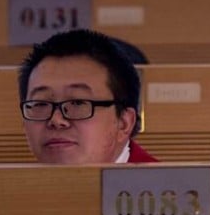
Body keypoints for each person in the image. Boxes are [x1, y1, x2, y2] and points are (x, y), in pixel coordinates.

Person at [18, 29, 158, 164]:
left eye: (78, 103)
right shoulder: (14, 180)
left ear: (124, 123)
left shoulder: (161, 180)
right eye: (41, 104)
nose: (56, 120)